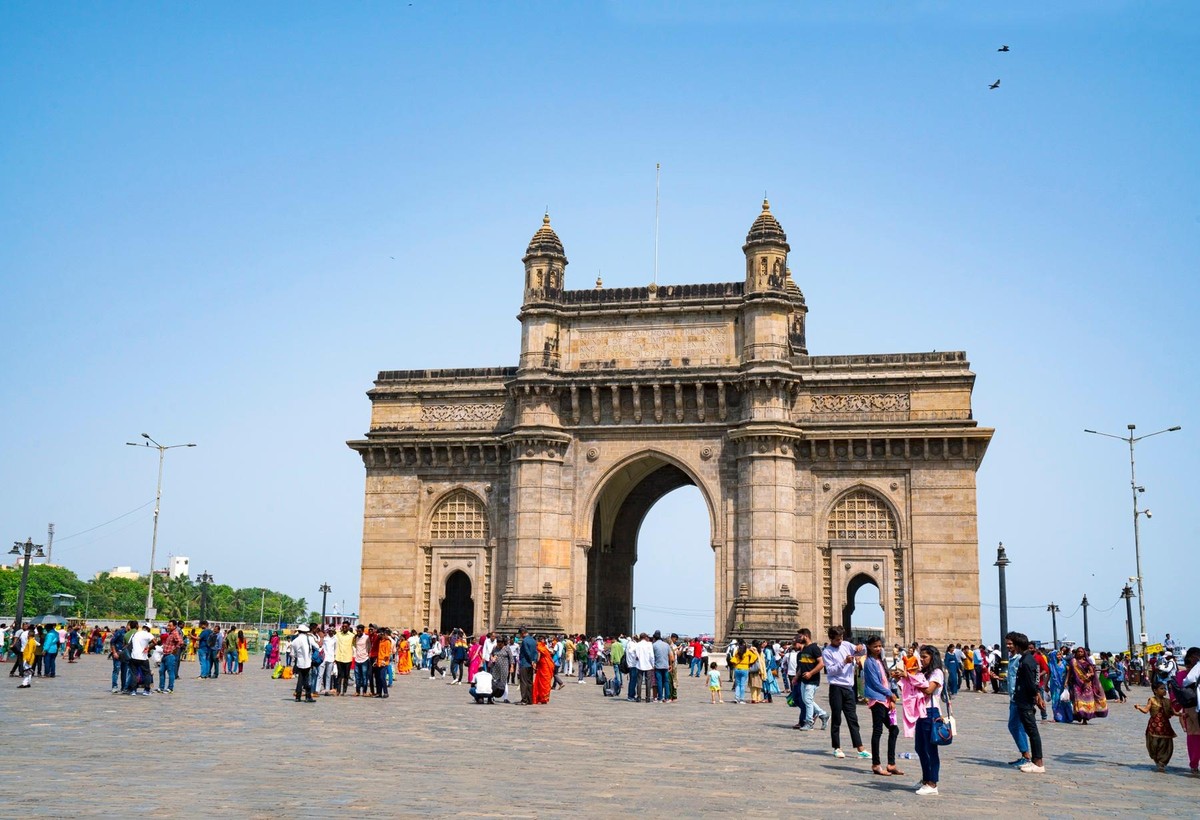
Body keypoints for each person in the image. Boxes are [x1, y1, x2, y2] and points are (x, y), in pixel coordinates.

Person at [822, 626, 869, 759]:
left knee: (853, 718)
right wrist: (844, 662)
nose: (840, 641)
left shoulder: (846, 645)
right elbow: (830, 670)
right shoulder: (827, 652)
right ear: (831, 638)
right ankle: (837, 747)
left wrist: (861, 647)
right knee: (836, 718)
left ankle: (860, 748)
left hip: (849, 688)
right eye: (837, 639)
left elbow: (861, 651)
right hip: (836, 687)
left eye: (841, 638)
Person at [907, 645, 945, 796]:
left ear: (932, 657)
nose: (921, 659)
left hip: (931, 712)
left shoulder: (937, 673)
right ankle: (925, 778)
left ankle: (932, 783)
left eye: (924, 657)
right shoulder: (923, 672)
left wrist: (912, 679)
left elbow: (929, 690)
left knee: (930, 750)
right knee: (920, 748)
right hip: (921, 712)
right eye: (920, 656)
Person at [863, 636, 902, 777]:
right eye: (875, 646)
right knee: (877, 731)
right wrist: (891, 694)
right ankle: (876, 764)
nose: (878, 648)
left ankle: (891, 764)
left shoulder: (880, 660)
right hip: (877, 701)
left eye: (880, 646)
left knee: (894, 729)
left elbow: (884, 680)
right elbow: (874, 683)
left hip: (885, 700)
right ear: (869, 647)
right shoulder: (869, 662)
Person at [1008, 632, 1046, 774]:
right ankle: (1035, 761)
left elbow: (1031, 684)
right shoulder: (1027, 659)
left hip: (1025, 701)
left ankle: (1038, 762)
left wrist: (1036, 698)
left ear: (1017, 645)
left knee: (1032, 731)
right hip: (1023, 699)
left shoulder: (1026, 661)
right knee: (1030, 730)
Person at [1134, 680, 1179, 772]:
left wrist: (1182, 715)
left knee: (1166, 745)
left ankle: (1162, 763)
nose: (1164, 691)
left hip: (1165, 727)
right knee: (1154, 744)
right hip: (1153, 727)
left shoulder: (1168, 701)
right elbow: (1146, 710)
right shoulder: (1151, 700)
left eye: (1165, 689)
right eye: (1161, 689)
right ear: (1155, 690)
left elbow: (1174, 712)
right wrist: (1139, 708)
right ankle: (1156, 759)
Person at [795, 629, 829, 730]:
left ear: (806, 636)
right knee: (806, 700)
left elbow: (821, 663)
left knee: (808, 700)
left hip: (812, 680)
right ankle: (823, 714)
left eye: (800, 636)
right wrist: (797, 677)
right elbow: (802, 665)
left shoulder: (815, 648)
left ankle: (809, 722)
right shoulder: (804, 649)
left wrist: (811, 673)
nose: (798, 638)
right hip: (803, 680)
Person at [1174, 647, 1200, 775]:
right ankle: (1194, 764)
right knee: (1194, 736)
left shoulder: (1190, 675)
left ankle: (1194, 764)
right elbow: (1177, 695)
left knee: (1195, 736)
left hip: (1194, 709)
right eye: (1194, 657)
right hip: (1191, 710)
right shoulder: (1182, 675)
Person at [1065, 647, 1108, 724]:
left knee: (1086, 701)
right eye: (1078, 651)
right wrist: (1066, 681)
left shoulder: (1087, 663)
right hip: (1076, 684)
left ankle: (1085, 718)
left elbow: (1092, 672)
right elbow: (1069, 672)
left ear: (1084, 653)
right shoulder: (1073, 661)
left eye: (1081, 652)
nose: (1079, 653)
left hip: (1086, 684)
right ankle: (1079, 715)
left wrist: (1089, 674)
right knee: (1078, 701)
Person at [290, 625, 318, 703]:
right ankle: (308, 696)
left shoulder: (295, 641)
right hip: (308, 662)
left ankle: (298, 697)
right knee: (306, 679)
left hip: (299, 662)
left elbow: (292, 654)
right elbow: (317, 646)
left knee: (300, 679)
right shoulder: (309, 638)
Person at [124, 623, 154, 696]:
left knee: (134, 674)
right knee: (147, 674)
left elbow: (128, 644)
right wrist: (149, 647)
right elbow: (155, 642)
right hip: (143, 657)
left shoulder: (136, 634)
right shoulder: (148, 634)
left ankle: (133, 690)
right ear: (149, 629)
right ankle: (146, 690)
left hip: (134, 657)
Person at [155, 619, 184, 694]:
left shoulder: (175, 633)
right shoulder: (169, 633)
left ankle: (170, 688)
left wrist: (175, 650)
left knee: (170, 672)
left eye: (170, 625)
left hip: (170, 655)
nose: (168, 627)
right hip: (165, 654)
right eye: (168, 625)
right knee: (161, 671)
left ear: (174, 626)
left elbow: (180, 642)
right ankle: (161, 687)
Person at [518, 627, 538, 704]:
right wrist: (534, 661)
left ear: (522, 633)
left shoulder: (525, 641)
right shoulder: (533, 640)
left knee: (523, 682)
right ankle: (530, 699)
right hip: (531, 664)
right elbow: (536, 652)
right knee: (530, 682)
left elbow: (527, 652)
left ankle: (524, 699)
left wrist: (531, 660)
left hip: (525, 663)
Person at [533, 635, 554, 704]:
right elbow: (538, 657)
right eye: (543, 640)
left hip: (545, 666)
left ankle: (543, 697)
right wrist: (535, 663)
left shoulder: (543, 646)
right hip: (543, 667)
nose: (544, 641)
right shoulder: (540, 647)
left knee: (544, 682)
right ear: (541, 640)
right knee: (544, 682)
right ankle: (543, 698)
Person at [652, 631, 671, 703]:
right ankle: (667, 697)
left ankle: (660, 697)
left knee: (659, 682)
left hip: (658, 666)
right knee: (666, 681)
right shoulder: (666, 645)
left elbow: (652, 656)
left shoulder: (654, 645)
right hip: (665, 666)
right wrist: (670, 665)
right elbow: (670, 655)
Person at [374, 628, 393, 699]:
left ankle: (385, 692)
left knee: (382, 677)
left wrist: (384, 661)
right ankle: (379, 692)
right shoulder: (380, 641)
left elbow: (387, 653)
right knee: (378, 678)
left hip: (384, 662)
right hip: (378, 661)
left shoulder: (387, 641)